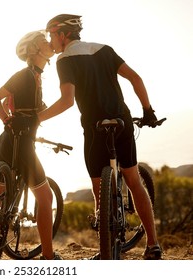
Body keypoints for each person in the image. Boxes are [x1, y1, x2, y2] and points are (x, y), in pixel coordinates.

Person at [38, 14, 162, 260]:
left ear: (62, 35)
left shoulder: (65, 60)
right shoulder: (104, 49)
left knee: (99, 189)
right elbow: (135, 78)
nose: (51, 40)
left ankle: (105, 247)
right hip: (122, 121)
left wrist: (38, 118)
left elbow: (66, 101)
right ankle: (153, 244)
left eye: (51, 35)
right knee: (134, 181)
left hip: (95, 128)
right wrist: (148, 112)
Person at [0, 30, 61, 260]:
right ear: (34, 50)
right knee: (46, 198)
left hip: (9, 142)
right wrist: (8, 120)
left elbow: (26, 112)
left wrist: (12, 123)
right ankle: (48, 258)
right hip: (20, 144)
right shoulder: (24, 75)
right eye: (43, 41)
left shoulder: (36, 78)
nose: (48, 42)